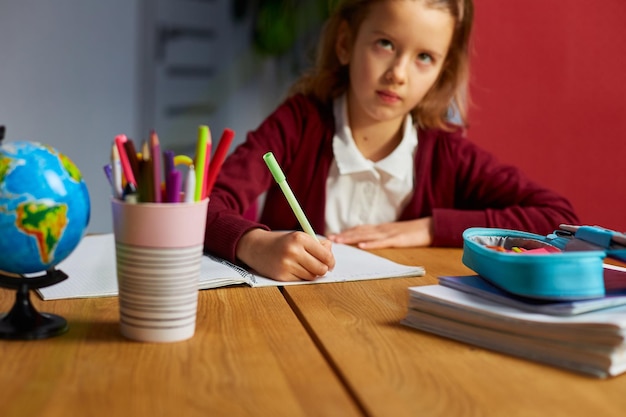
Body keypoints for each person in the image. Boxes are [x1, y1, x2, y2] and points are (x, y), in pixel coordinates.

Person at [203, 0, 579, 282]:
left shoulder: (447, 155)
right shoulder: (298, 124)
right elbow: (202, 203)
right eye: (385, 44)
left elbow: (558, 219)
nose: (398, 73)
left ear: (442, 72)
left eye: (425, 57)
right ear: (346, 43)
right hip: (292, 327)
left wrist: (429, 228)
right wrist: (252, 244)